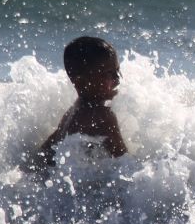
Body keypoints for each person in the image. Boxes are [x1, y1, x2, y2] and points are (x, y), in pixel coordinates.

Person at [33, 36, 127, 171]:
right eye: (109, 73)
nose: (118, 78)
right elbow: (125, 164)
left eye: (117, 71)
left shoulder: (75, 110)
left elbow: (46, 151)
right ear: (80, 81)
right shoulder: (103, 116)